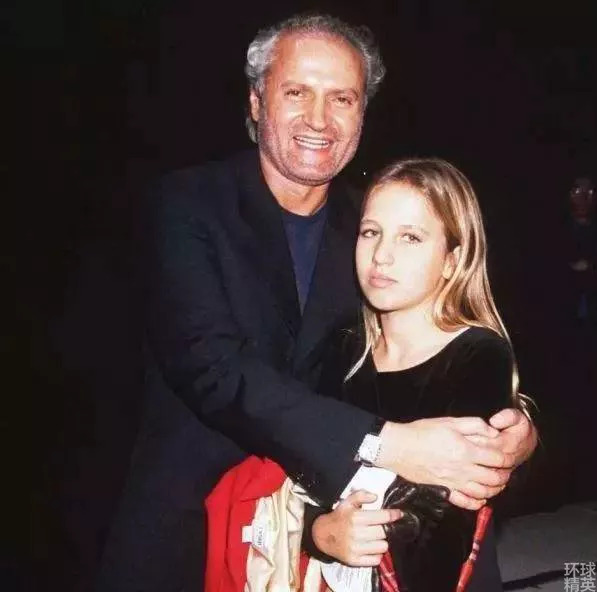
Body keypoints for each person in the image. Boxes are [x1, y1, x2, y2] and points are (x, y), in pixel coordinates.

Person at [96, 14, 536, 592]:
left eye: (342, 98)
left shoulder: (372, 226)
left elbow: (439, 337)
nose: (319, 119)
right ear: (256, 102)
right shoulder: (186, 206)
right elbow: (212, 370)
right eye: (297, 92)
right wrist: (388, 443)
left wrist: (510, 426)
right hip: (193, 532)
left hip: (334, 540)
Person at [305, 157, 533, 591]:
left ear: (452, 260)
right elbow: (302, 470)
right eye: (371, 232)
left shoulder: (476, 354)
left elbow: (447, 517)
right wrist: (319, 532)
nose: (382, 255)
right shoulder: (343, 349)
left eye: (410, 237)